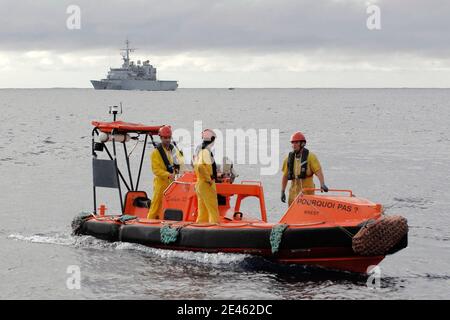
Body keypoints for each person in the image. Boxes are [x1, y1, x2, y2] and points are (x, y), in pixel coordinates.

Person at [281, 131, 328, 206]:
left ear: (302, 144)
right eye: (292, 143)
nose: (294, 145)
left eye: (296, 143)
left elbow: (318, 172)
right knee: (293, 216)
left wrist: (322, 184)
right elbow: (285, 176)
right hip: (293, 195)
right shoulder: (288, 159)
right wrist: (282, 191)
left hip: (307, 195)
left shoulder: (311, 157)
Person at [147, 125, 183, 219]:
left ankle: (162, 222)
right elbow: (156, 170)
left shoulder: (172, 151)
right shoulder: (155, 153)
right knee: (155, 205)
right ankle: (149, 222)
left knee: (168, 206)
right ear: (161, 138)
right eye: (165, 138)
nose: (167, 140)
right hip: (160, 183)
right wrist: (168, 175)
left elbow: (179, 162)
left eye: (169, 138)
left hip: (171, 184)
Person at [194, 128, 220, 223]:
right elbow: (201, 166)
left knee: (203, 212)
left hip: (200, 184)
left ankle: (200, 227)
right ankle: (214, 228)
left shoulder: (200, 151)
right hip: (206, 184)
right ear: (212, 140)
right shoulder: (205, 152)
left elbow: (198, 166)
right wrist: (209, 179)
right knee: (212, 209)